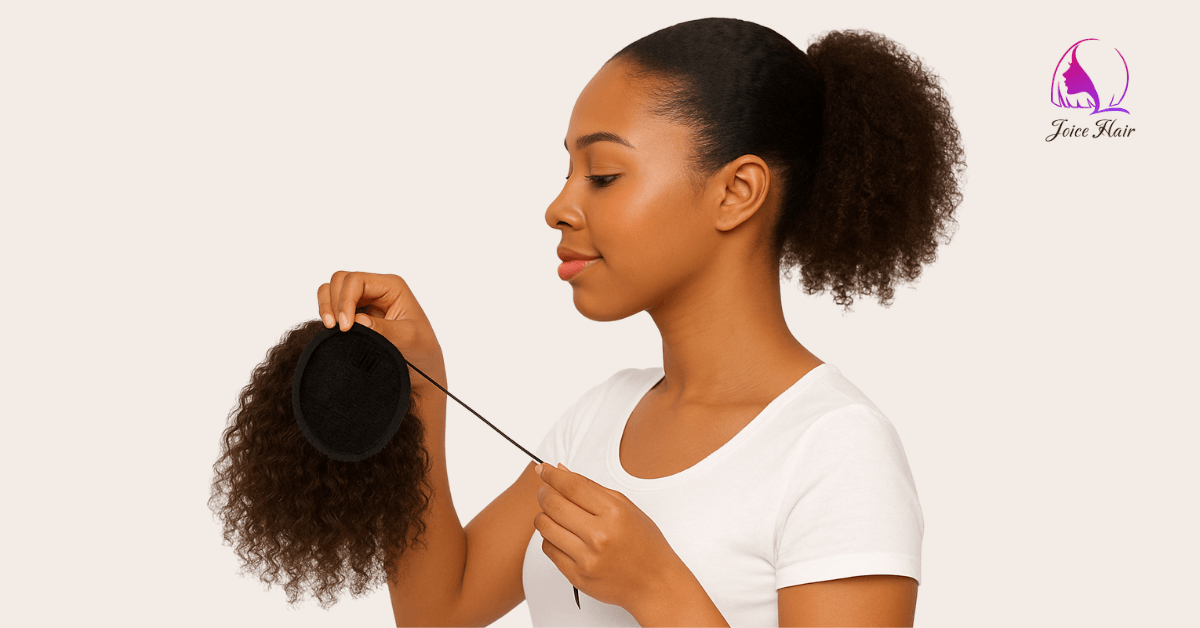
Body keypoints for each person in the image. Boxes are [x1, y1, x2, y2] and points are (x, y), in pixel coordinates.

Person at [318, 17, 964, 627]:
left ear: (736, 192)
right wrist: (419, 388)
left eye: (603, 175)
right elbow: (437, 612)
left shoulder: (835, 447)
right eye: (569, 171)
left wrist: (655, 587)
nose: (558, 207)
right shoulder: (601, 417)